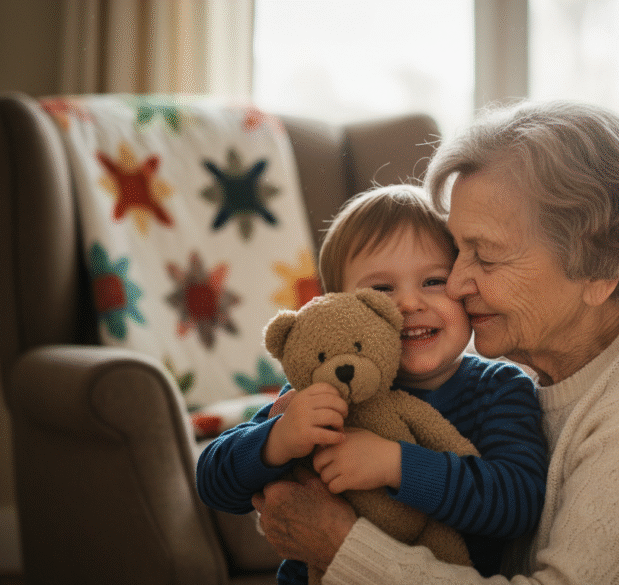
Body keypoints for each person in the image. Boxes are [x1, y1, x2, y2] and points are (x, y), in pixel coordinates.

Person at [252, 100, 619, 584]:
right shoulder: (524, 363)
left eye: (486, 256)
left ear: (598, 270)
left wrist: (341, 548)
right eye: (458, 251)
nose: (457, 284)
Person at [197, 185, 548, 583]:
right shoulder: (319, 392)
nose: (409, 304)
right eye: (381, 289)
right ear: (339, 307)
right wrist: (278, 439)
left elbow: (519, 503)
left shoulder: (500, 388)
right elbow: (213, 484)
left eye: (434, 281)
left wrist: (394, 464)